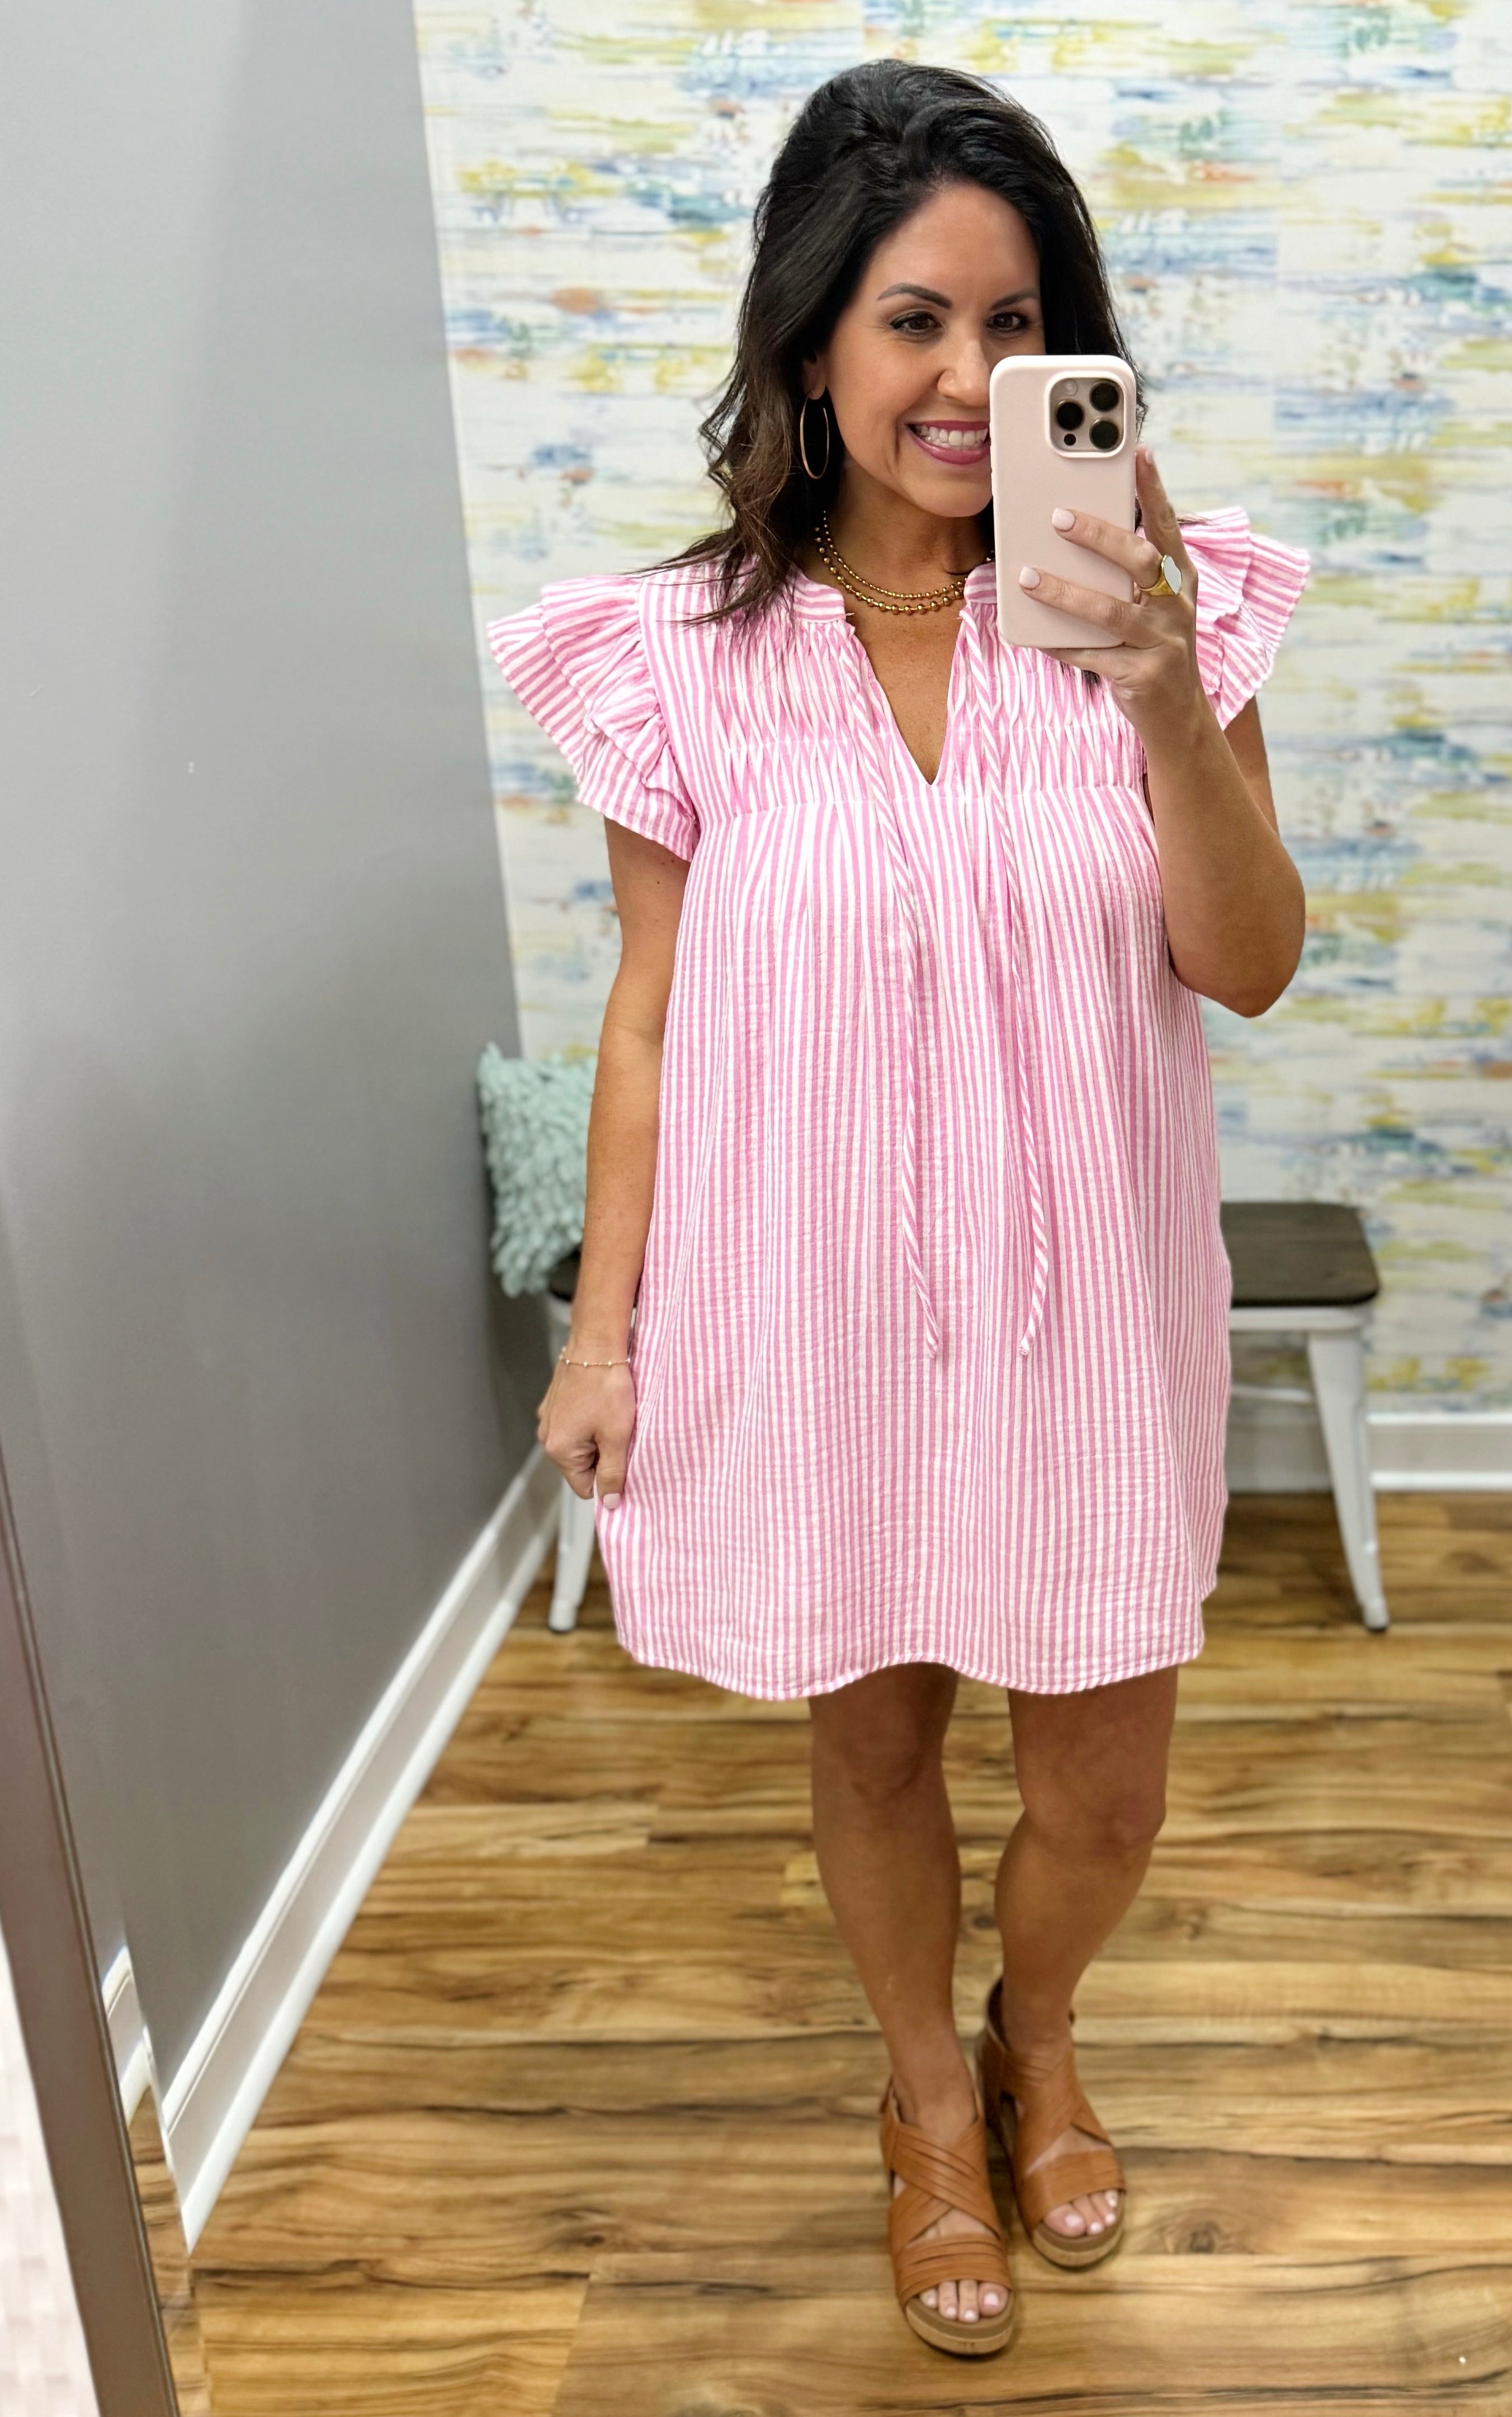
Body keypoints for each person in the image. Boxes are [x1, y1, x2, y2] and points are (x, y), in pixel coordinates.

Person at [486, 56, 1308, 2362]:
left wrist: (1161, 699)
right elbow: (650, 1018)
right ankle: (928, 2097)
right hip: (816, 1305)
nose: (966, 378)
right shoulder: (682, 655)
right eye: (915, 321)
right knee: (868, 1744)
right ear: (814, 339)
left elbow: (1245, 961)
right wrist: (604, 1332)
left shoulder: (1175, 616)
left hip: (1091, 1316)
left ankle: (1041, 2026)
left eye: (1015, 323)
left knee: (1104, 1787)